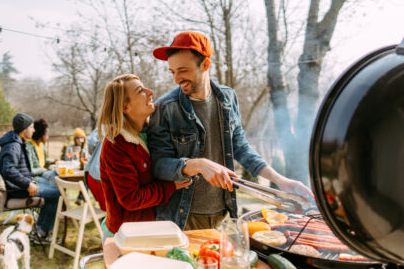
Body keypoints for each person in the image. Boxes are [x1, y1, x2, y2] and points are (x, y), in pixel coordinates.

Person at [148, 31, 313, 231]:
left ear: (205, 65)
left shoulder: (228, 98)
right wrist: (198, 164)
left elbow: (240, 146)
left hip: (222, 216)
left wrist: (280, 180)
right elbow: (158, 165)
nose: (176, 79)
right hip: (179, 218)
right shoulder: (165, 108)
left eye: (183, 70)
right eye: (172, 71)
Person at [97, 74, 191, 240]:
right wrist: (169, 187)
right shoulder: (116, 145)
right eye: (140, 91)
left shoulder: (151, 133)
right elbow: (130, 199)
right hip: (124, 236)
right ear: (125, 107)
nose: (150, 92)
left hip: (148, 228)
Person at [0, 112, 61, 244]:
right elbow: (8, 169)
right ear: (24, 130)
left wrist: (29, 181)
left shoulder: (16, 142)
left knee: (54, 190)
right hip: (18, 189)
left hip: (20, 185)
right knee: (58, 193)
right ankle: (41, 233)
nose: (34, 130)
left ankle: (40, 231)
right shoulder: (13, 145)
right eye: (31, 127)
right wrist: (28, 184)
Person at [26, 118, 57, 185]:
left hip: (42, 173)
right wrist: (43, 170)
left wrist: (53, 161)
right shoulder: (29, 146)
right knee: (55, 183)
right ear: (41, 134)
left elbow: (43, 161)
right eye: (47, 134)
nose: (48, 137)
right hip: (34, 177)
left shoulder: (41, 145)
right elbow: (31, 171)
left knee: (56, 175)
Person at [83, 128, 106, 211]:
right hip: (101, 179)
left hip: (92, 175)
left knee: (107, 211)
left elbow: (91, 145)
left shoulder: (102, 127)